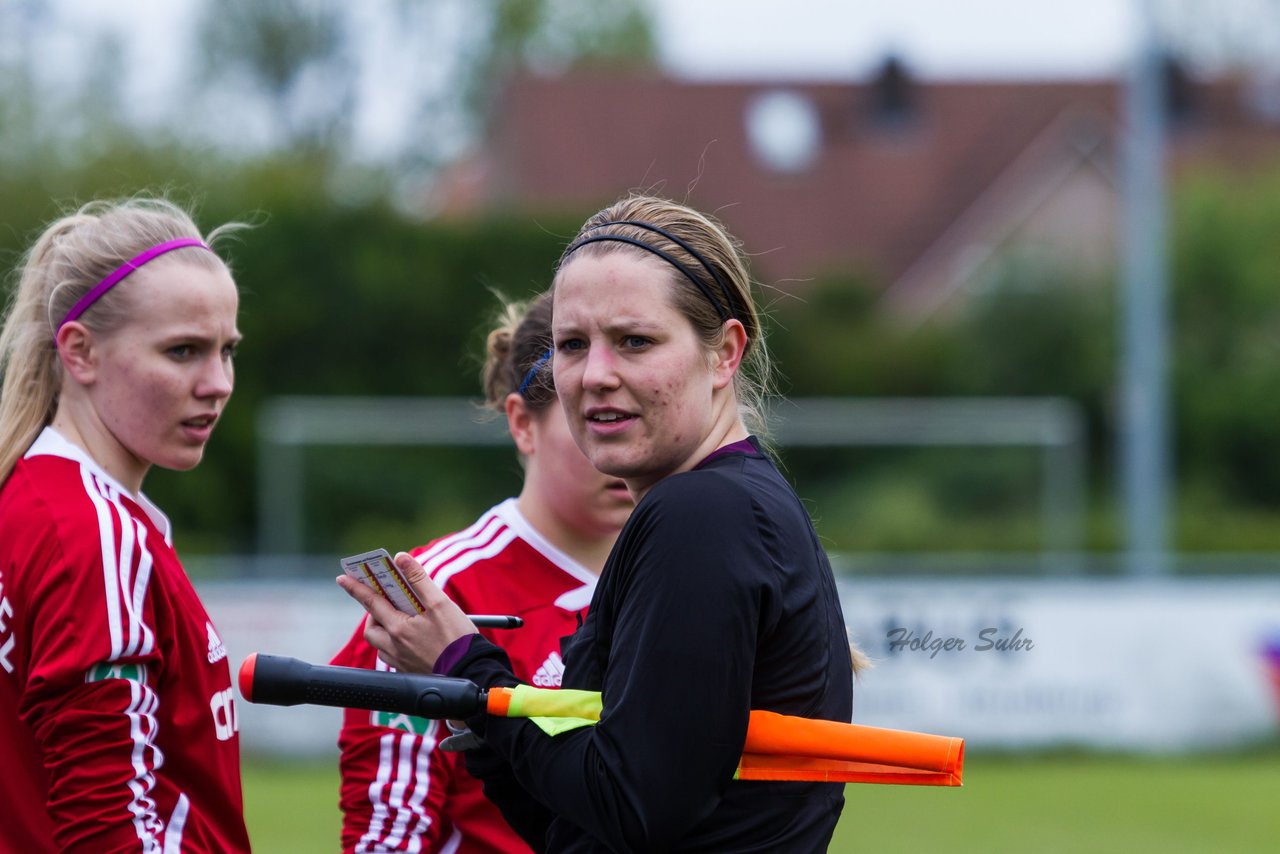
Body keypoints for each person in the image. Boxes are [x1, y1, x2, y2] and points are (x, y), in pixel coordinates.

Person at [339, 193, 859, 852]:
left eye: (635, 341)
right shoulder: (722, 506)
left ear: (725, 353)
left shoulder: (700, 513)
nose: (596, 375)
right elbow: (578, 827)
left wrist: (468, 668)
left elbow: (633, 805)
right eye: (572, 346)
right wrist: (477, 709)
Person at [330, 291, 634, 853]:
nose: (616, 444)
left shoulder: (681, 574)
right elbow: (388, 834)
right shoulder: (436, 593)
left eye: (631, 416)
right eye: (589, 417)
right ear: (522, 424)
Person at [0, 198, 251, 852]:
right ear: (80, 353)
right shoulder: (94, 534)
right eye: (183, 351)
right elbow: (108, 822)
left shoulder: (27, 502)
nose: (218, 382)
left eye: (227, 351)